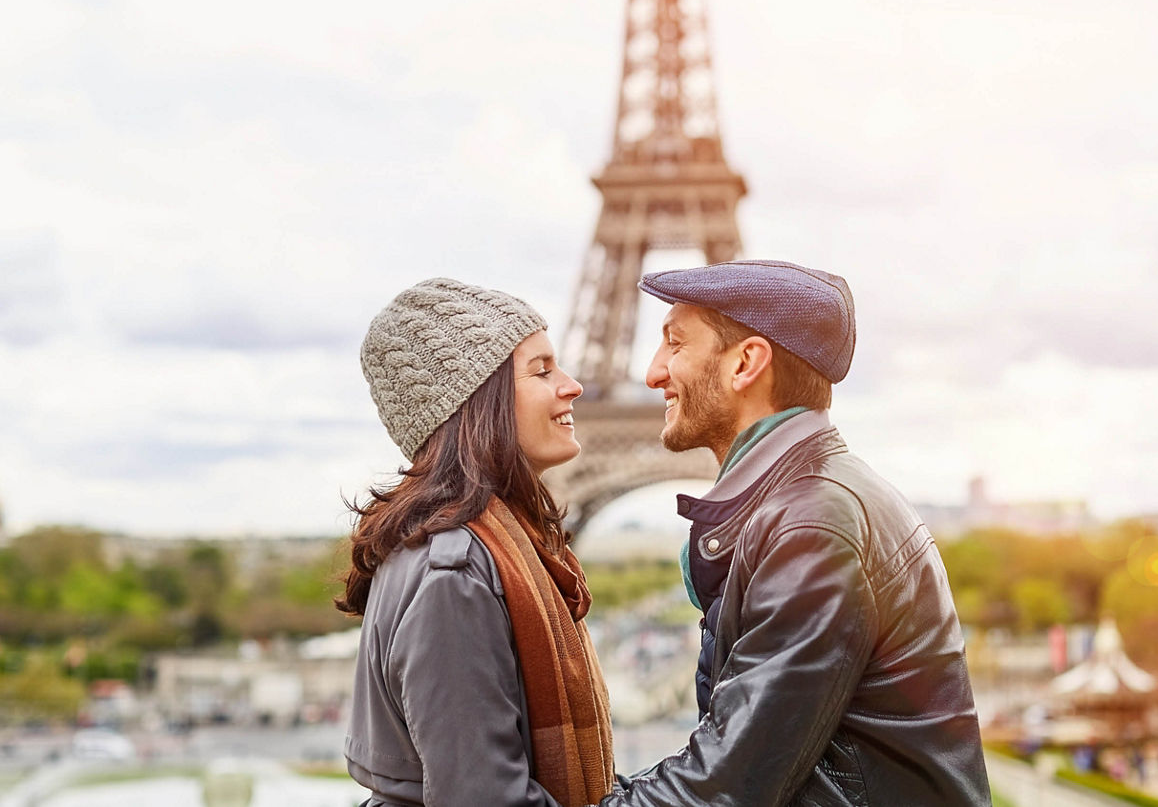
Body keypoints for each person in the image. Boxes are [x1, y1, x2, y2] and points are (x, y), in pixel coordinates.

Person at [600, 260, 991, 806]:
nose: (653, 372)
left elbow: (726, 786)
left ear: (746, 363)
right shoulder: (815, 499)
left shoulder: (812, 524)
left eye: (675, 344)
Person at [338, 278, 614, 807]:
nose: (573, 385)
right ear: (477, 401)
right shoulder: (455, 574)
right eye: (542, 370)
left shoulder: (484, 551)